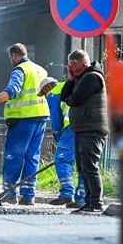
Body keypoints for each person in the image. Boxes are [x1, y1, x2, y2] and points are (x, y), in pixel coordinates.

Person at [0, 43, 49, 206]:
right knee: (32, 156)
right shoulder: (41, 70)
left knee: (14, 155)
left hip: (24, 119)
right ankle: (29, 195)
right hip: (42, 117)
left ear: (15, 55)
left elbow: (12, 91)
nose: (11, 61)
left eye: (11, 58)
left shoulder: (20, 70)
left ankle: (9, 193)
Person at [60, 50, 109, 213]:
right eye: (69, 67)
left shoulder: (92, 77)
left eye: (73, 67)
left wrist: (70, 98)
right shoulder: (80, 77)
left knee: (90, 167)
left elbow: (75, 99)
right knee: (82, 167)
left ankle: (96, 202)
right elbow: (64, 96)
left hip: (92, 129)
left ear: (85, 64)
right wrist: (70, 79)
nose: (71, 70)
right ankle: (89, 202)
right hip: (82, 128)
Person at [38, 76, 86, 208]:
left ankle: (66, 193)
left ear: (48, 87)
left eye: (43, 93)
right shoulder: (70, 86)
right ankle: (81, 198)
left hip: (70, 127)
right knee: (83, 163)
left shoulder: (53, 93)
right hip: (86, 125)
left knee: (62, 160)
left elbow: (56, 120)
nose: (44, 97)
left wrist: (59, 138)